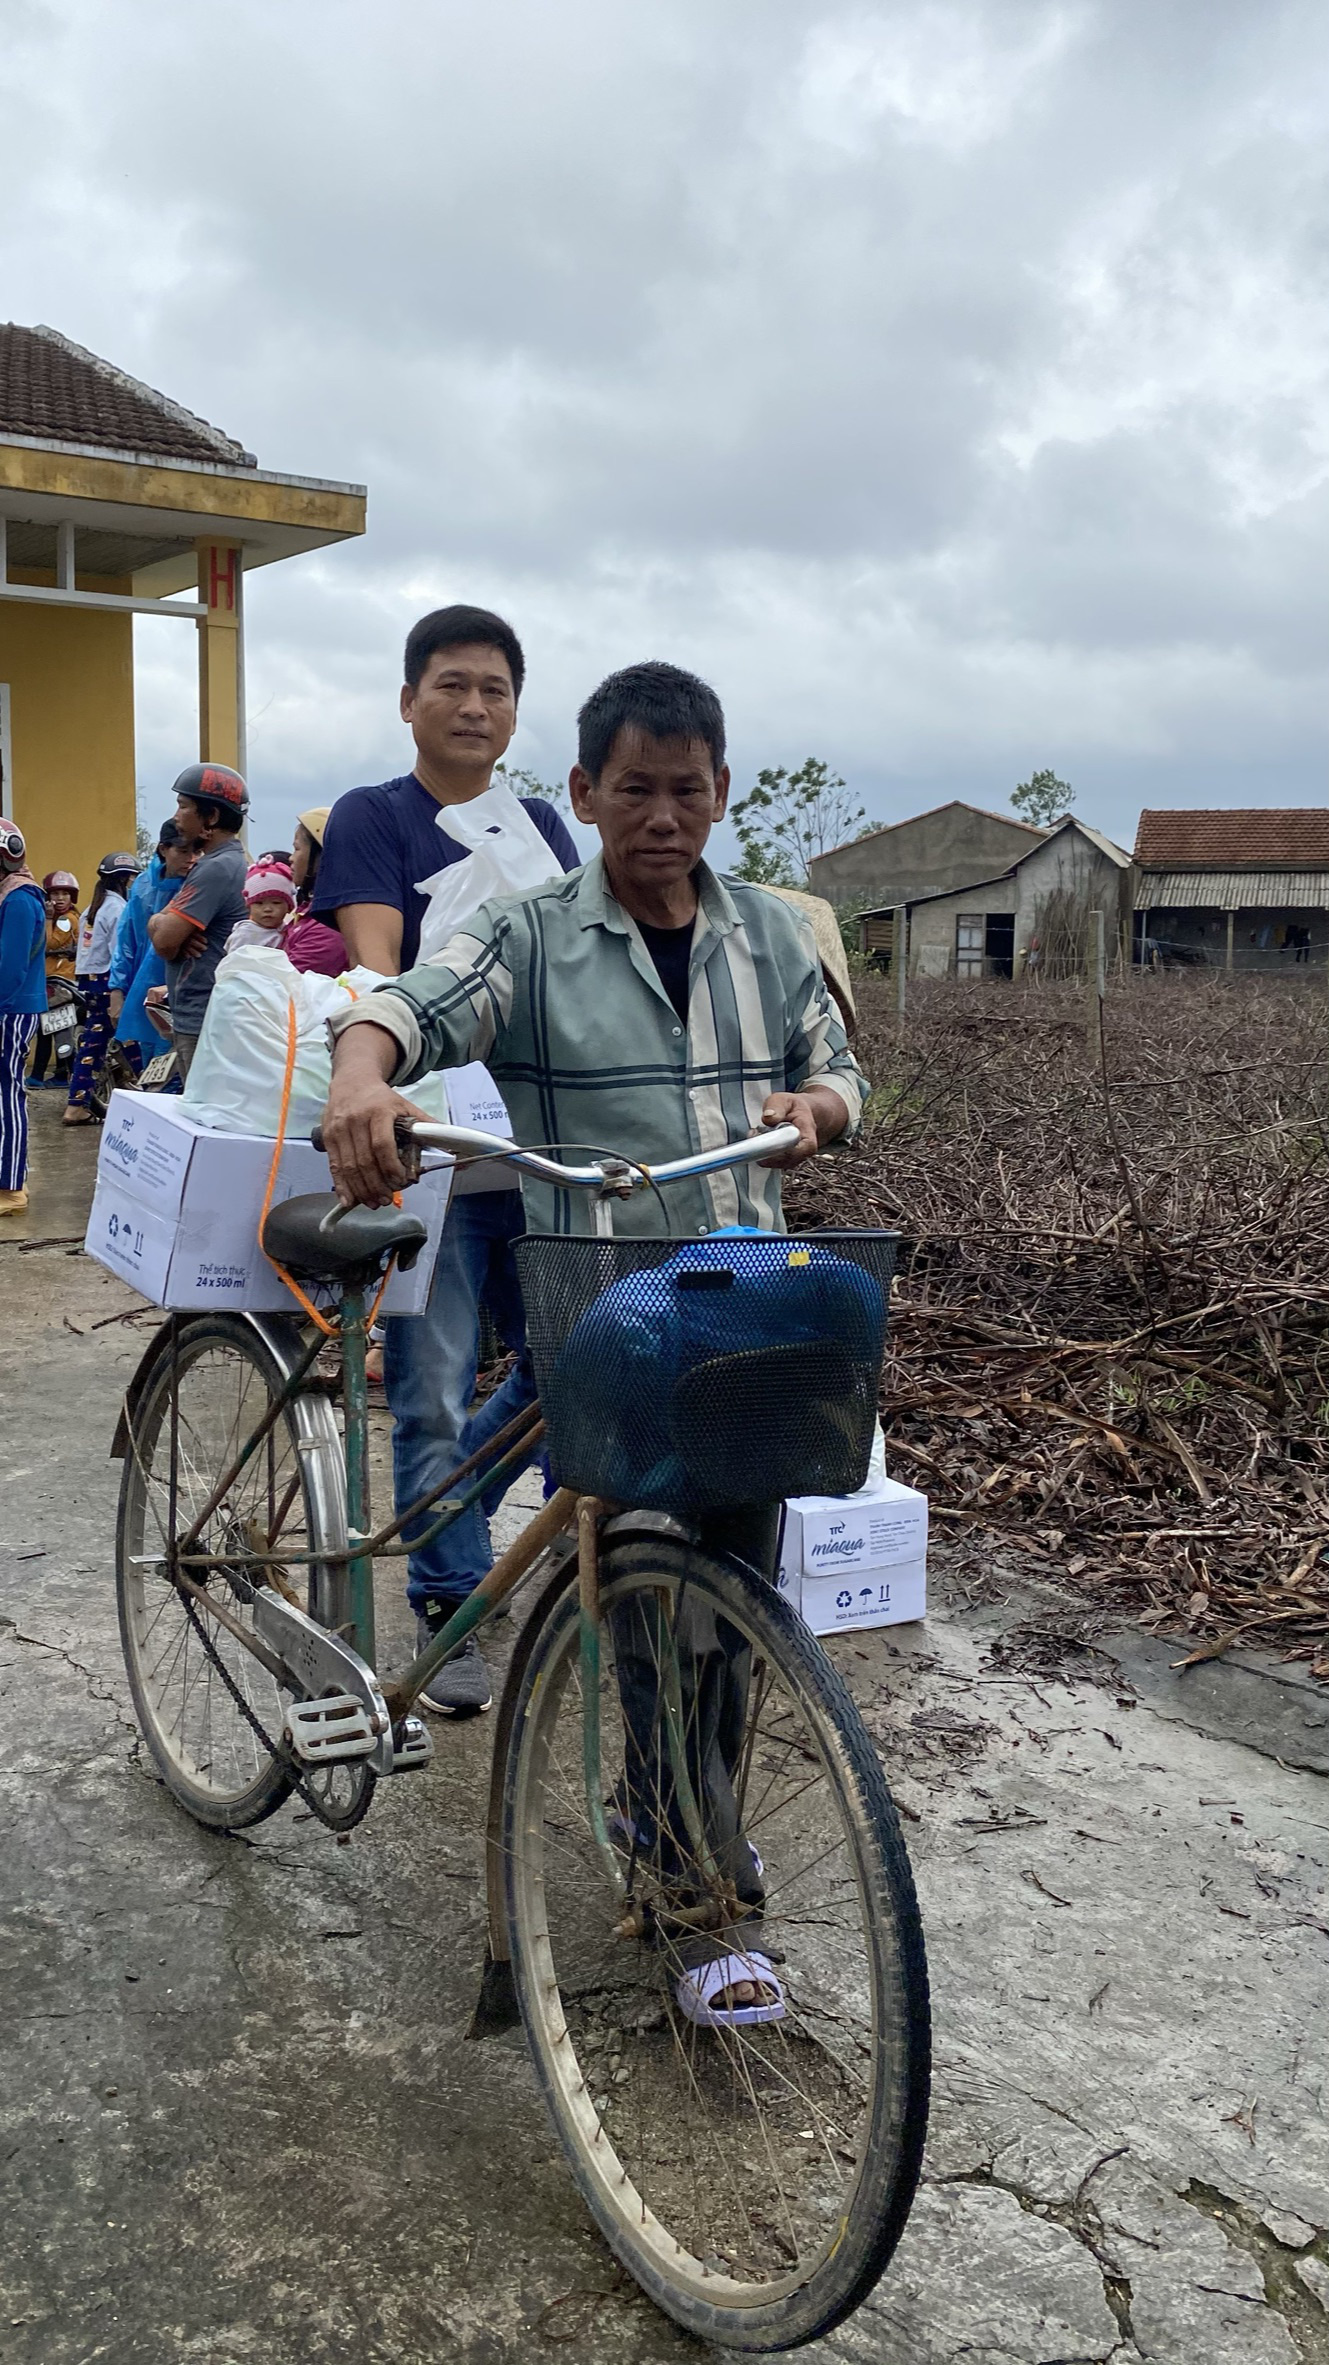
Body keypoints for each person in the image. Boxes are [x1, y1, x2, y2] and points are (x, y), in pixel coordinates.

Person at [322, 658, 867, 1999]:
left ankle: (675, 1818)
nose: (663, 816)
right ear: (583, 791)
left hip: (748, 1309)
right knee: (638, 1589)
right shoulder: (532, 935)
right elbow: (411, 1002)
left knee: (730, 1599)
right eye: (635, 789)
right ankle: (687, 1882)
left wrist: (823, 1108)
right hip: (612, 1316)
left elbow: (838, 1062)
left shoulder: (773, 934)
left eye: (688, 791)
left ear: (721, 793)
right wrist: (359, 1075)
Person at [313, 605, 578, 1711]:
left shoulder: (549, 827)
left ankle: (471, 1531)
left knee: (565, 1374)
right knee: (425, 1384)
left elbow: (573, 958)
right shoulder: (377, 817)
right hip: (432, 1138)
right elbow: (383, 971)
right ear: (410, 698)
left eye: (497, 689)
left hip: (539, 1144)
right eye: (453, 685)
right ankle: (450, 1600)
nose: (476, 707)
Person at [147, 763, 249, 1078]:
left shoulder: (215, 869)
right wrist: (161, 921)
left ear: (212, 817)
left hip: (203, 1016)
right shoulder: (228, 862)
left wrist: (163, 924)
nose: (177, 816)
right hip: (210, 1013)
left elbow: (164, 943)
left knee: (204, 1113)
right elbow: (163, 930)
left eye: (183, 806)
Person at [106, 822, 196, 1070]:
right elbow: (126, 943)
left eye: (196, 851)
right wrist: (117, 991)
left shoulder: (198, 886)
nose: (191, 859)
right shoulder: (144, 887)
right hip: (144, 992)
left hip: (183, 991)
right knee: (152, 1072)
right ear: (163, 849)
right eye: (183, 851)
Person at [64, 852, 141, 1125]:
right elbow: (119, 953)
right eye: (131, 879)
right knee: (133, 1038)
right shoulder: (118, 909)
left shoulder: (91, 909)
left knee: (92, 1046)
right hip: (110, 983)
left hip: (89, 982)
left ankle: (76, 1105)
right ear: (122, 880)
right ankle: (155, 1095)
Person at [0, 820, 48, 1213]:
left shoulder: (18, 900)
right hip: (9, 1007)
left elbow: (10, 968)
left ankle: (11, 1186)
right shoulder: (10, 896)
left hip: (9, 1010)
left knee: (6, 1094)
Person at [26, 871, 79, 1089]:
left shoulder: (66, 920)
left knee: (54, 1029)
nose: (59, 898)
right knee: (53, 1029)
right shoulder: (64, 918)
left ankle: (51, 1075)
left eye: (64, 894)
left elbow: (49, 943)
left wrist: (47, 918)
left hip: (60, 983)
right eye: (55, 893)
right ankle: (53, 1074)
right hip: (57, 982)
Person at [282, 808, 346, 977]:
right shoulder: (311, 913)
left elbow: (282, 981)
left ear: (322, 856)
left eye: (297, 849)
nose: (291, 858)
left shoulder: (327, 925)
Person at [225, 860, 296, 952]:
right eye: (259, 903)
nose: (267, 909)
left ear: (289, 907)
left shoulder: (290, 931)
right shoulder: (245, 935)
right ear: (249, 906)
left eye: (276, 903)